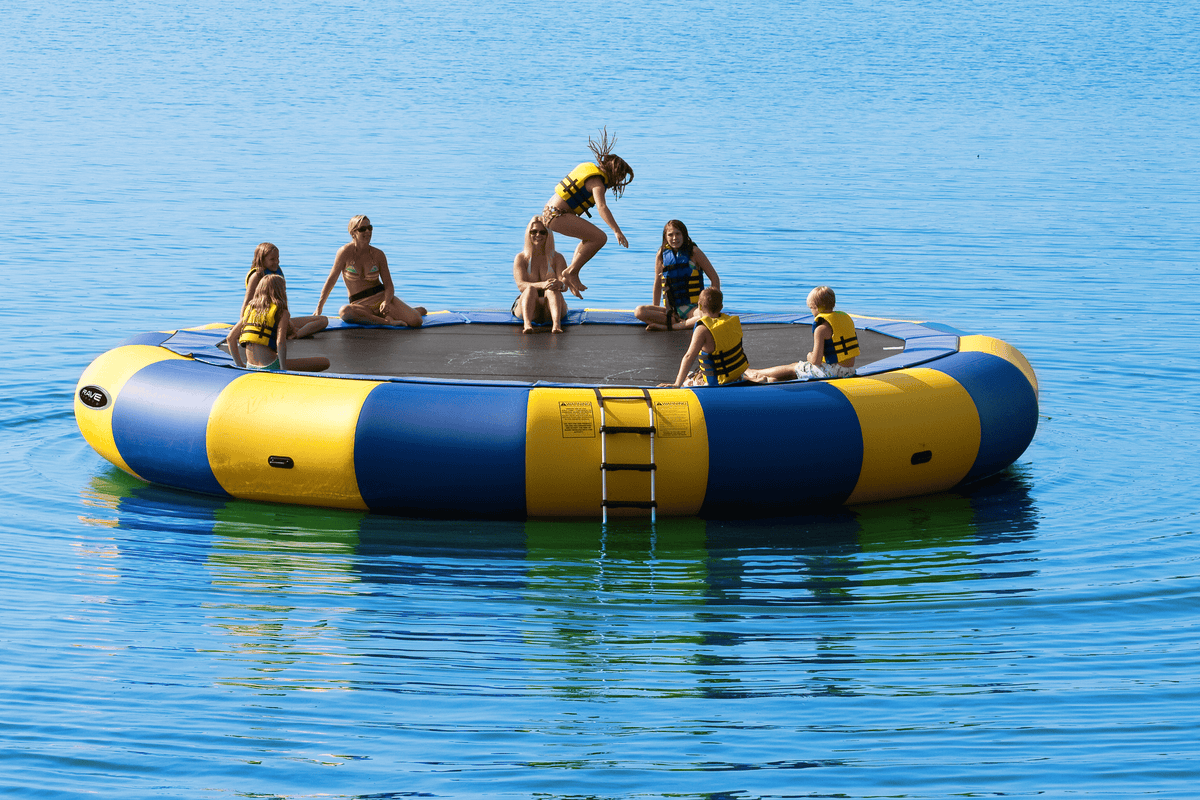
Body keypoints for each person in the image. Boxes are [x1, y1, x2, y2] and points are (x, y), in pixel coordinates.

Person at [541, 128, 634, 298]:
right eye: (619, 177)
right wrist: (617, 231)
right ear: (613, 172)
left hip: (549, 213)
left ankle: (571, 272)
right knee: (600, 237)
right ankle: (571, 272)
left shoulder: (589, 169)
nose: (618, 182)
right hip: (557, 215)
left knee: (590, 238)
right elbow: (602, 207)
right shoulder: (597, 182)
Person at [314, 216, 426, 327]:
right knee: (345, 312)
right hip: (360, 305)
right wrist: (319, 307)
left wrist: (386, 302)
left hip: (381, 299)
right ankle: (387, 321)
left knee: (416, 321)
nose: (367, 231)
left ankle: (405, 312)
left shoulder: (378, 255)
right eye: (362, 229)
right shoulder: (345, 252)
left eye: (370, 228)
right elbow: (331, 280)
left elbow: (389, 285)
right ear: (353, 233)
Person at [743, 286, 858, 383]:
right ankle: (771, 379)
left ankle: (755, 373)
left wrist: (809, 356)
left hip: (833, 373)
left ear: (816, 307)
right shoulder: (843, 320)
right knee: (802, 369)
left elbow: (816, 361)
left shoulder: (821, 329)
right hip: (849, 370)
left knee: (795, 366)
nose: (812, 311)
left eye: (811, 308)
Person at [226, 274, 330, 373]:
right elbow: (280, 342)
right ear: (281, 291)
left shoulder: (250, 310)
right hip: (270, 366)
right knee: (324, 362)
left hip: (250, 366)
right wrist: (283, 369)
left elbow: (230, 338)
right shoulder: (281, 312)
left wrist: (240, 365)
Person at [634, 220, 721, 330]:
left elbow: (714, 278)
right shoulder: (661, 255)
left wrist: (713, 306)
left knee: (706, 316)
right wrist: (656, 309)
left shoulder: (694, 252)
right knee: (639, 311)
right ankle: (678, 323)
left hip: (694, 309)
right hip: (672, 311)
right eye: (670, 235)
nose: (675, 238)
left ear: (684, 235)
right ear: (665, 237)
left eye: (678, 233)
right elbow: (657, 283)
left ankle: (672, 327)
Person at [659, 288, 750, 388]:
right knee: (695, 373)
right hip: (736, 376)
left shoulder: (702, 329)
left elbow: (689, 356)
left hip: (717, 382)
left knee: (687, 379)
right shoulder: (731, 322)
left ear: (700, 306)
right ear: (721, 307)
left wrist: (676, 384)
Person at [241, 242, 327, 339]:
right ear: (262, 260)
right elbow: (247, 302)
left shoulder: (277, 273)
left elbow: (283, 299)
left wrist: (286, 320)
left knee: (323, 320)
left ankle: (295, 334)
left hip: (278, 318)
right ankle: (293, 332)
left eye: (278, 258)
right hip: (263, 321)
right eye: (272, 259)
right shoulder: (256, 276)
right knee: (293, 327)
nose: (276, 262)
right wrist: (243, 326)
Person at [512, 216, 569, 334]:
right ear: (529, 234)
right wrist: (543, 284)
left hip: (551, 307)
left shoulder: (557, 258)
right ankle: (527, 325)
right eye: (534, 232)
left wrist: (559, 284)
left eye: (542, 232)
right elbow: (521, 285)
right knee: (529, 289)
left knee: (552, 289)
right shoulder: (521, 258)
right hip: (529, 306)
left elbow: (565, 287)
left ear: (548, 235)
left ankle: (556, 325)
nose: (538, 235)